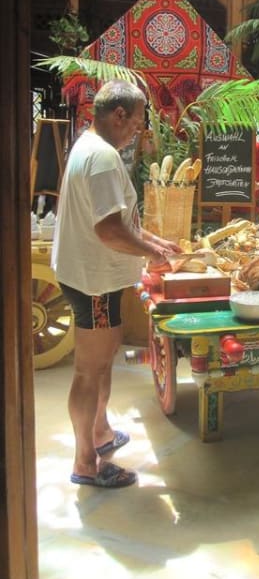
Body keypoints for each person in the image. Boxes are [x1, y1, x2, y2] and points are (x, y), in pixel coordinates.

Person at [52, 80, 181, 489]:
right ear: (119, 114)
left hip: (88, 274)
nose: (138, 131)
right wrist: (151, 253)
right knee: (90, 371)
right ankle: (86, 462)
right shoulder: (104, 158)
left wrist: (154, 242)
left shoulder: (87, 144)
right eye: (137, 122)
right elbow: (108, 231)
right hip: (94, 280)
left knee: (101, 364)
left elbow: (117, 222)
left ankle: (101, 433)